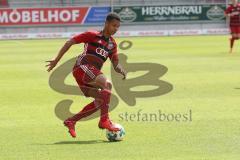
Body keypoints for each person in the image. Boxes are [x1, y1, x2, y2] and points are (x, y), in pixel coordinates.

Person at [46, 13, 127, 138]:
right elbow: (69, 42)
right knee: (107, 84)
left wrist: (120, 69)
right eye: (113, 26)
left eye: (118, 27)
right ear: (106, 23)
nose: (116, 29)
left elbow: (115, 63)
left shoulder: (112, 44)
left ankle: (71, 121)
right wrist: (56, 60)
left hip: (90, 74)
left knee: (102, 100)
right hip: (82, 67)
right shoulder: (92, 35)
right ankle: (104, 121)